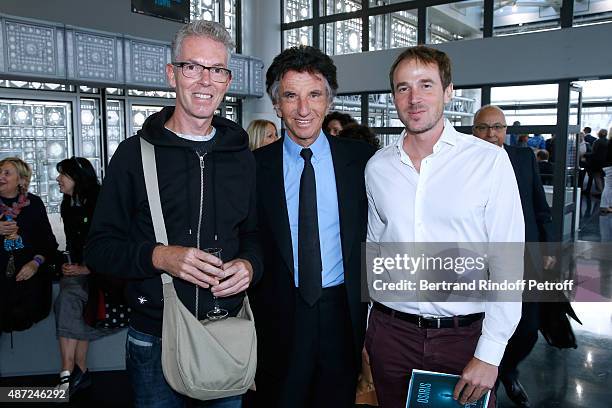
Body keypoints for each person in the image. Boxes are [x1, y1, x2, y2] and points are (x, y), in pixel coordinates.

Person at [84, 20, 261, 408]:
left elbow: (254, 235)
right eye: (192, 67)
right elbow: (98, 249)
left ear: (227, 81)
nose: (204, 81)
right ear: (172, 74)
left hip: (225, 334)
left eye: (216, 70)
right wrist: (160, 256)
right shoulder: (134, 155)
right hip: (154, 340)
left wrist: (250, 265)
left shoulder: (241, 158)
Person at [365, 46, 524, 408]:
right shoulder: (378, 167)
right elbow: (375, 250)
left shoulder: (488, 161)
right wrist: (368, 333)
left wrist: (490, 353)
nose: (414, 98)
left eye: (426, 85)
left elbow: (508, 261)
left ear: (449, 92)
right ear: (393, 97)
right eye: (403, 88)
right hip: (390, 335)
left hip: (463, 339)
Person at [249, 45, 376, 408]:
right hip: (278, 314)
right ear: (276, 104)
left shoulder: (362, 162)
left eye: (314, 95)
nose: (303, 109)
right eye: (291, 96)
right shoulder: (254, 168)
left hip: (343, 312)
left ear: (329, 100)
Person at [473, 105, 554, 408]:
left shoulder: (522, 158)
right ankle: (487, 377)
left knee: (527, 329)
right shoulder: (464, 163)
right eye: (483, 127)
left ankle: (507, 370)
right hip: (479, 260)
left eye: (497, 127)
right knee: (481, 324)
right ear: (474, 131)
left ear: (506, 130)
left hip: (523, 256)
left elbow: (539, 207)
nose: (491, 134)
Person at [53, 157, 110, 397]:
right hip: (81, 270)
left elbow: (111, 243)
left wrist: (87, 268)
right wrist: (70, 265)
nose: (58, 179)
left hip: (105, 273)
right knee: (73, 302)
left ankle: (67, 372)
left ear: (77, 178)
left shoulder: (101, 200)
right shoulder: (67, 203)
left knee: (69, 299)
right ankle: (79, 371)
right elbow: (73, 242)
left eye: (62, 175)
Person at [0, 157, 58, 333]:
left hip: (26, 288)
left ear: (22, 180)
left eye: (6, 173)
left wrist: (35, 263)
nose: (0, 176)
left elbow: (49, 243)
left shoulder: (34, 204)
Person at [600, 126, 612, 214]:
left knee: (609, 186)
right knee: (608, 186)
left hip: (608, 165)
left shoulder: (610, 141)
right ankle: (604, 205)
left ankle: (607, 205)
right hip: (610, 166)